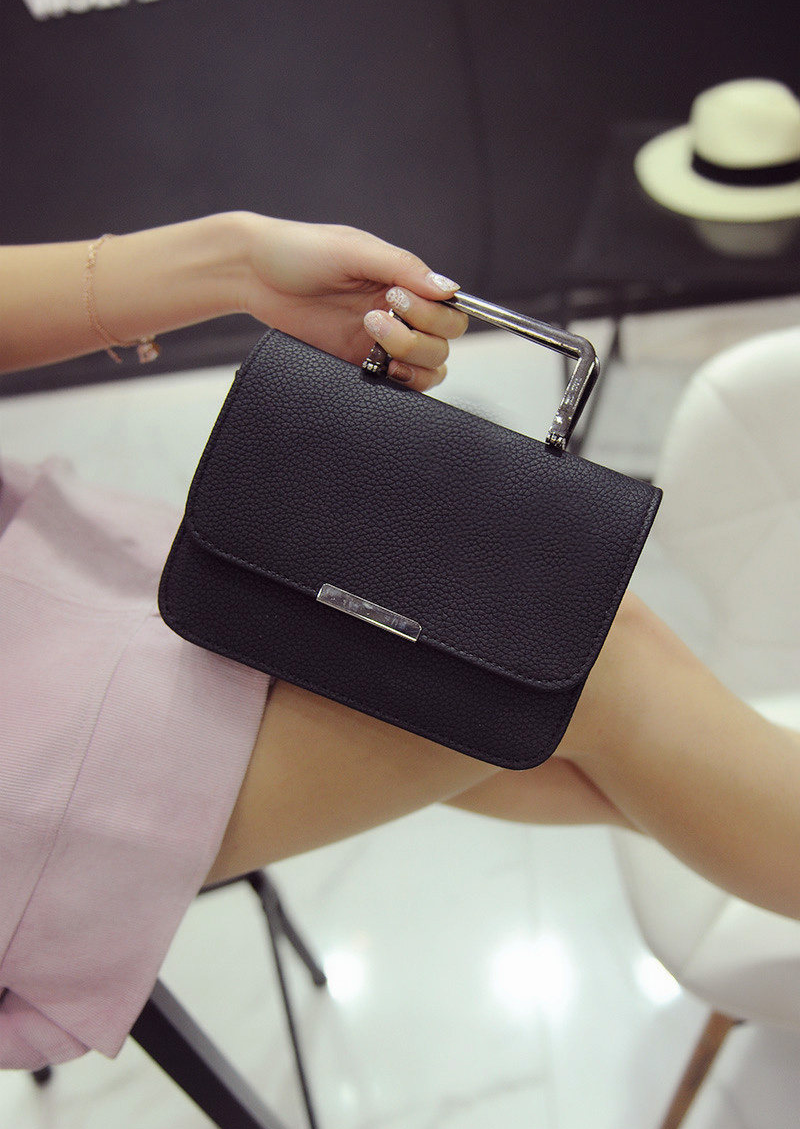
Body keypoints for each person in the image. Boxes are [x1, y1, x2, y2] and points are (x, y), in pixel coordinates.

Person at [1, 211, 799, 1071]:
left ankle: (745, 816)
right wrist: (232, 263)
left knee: (486, 699)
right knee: (585, 658)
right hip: (35, 746)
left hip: (50, 577)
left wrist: (238, 261)